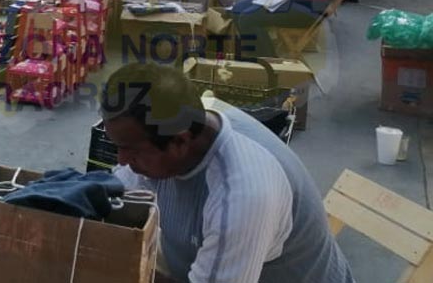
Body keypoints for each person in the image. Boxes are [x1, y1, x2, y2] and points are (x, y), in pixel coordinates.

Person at [101, 63, 354, 283]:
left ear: (180, 142)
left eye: (130, 150)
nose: (122, 160)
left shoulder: (242, 196)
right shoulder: (185, 126)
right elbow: (118, 196)